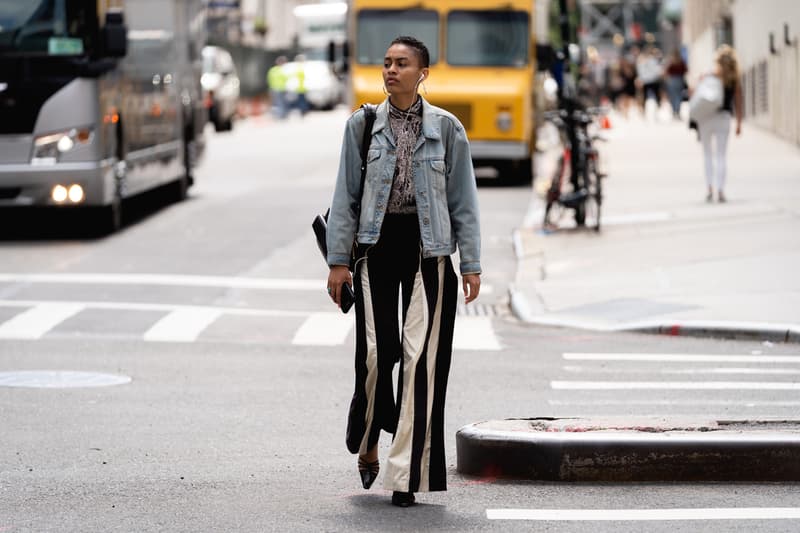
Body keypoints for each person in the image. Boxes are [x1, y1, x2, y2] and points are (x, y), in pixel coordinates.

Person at [325, 36, 481, 508]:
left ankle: (405, 471)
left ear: (422, 73)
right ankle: (369, 433)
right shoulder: (363, 125)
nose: (391, 70)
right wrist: (337, 262)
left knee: (422, 363)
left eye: (402, 64)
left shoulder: (447, 129)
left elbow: (464, 201)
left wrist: (470, 263)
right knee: (378, 353)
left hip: (428, 251)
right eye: (387, 63)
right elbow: (344, 196)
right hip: (376, 247)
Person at [697, 45, 743, 203]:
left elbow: (698, 95)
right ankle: (721, 190)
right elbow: (738, 102)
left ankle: (709, 188)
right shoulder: (733, 78)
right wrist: (739, 123)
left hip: (706, 118)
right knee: (721, 156)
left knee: (707, 154)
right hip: (723, 118)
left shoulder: (708, 75)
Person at [664, 49, 688, 118]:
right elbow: (686, 70)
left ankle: (674, 110)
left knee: (673, 96)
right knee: (678, 96)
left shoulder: (671, 62)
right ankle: (677, 110)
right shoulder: (681, 61)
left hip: (672, 80)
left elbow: (666, 71)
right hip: (679, 79)